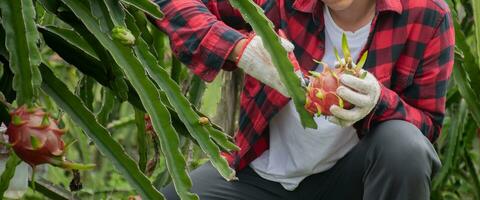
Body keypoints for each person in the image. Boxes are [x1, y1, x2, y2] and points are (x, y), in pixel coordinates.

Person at [153, 0, 454, 199]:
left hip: (349, 181)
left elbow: (426, 129)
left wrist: (379, 102)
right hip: (261, 175)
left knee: (404, 146)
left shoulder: (427, 14)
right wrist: (237, 49)